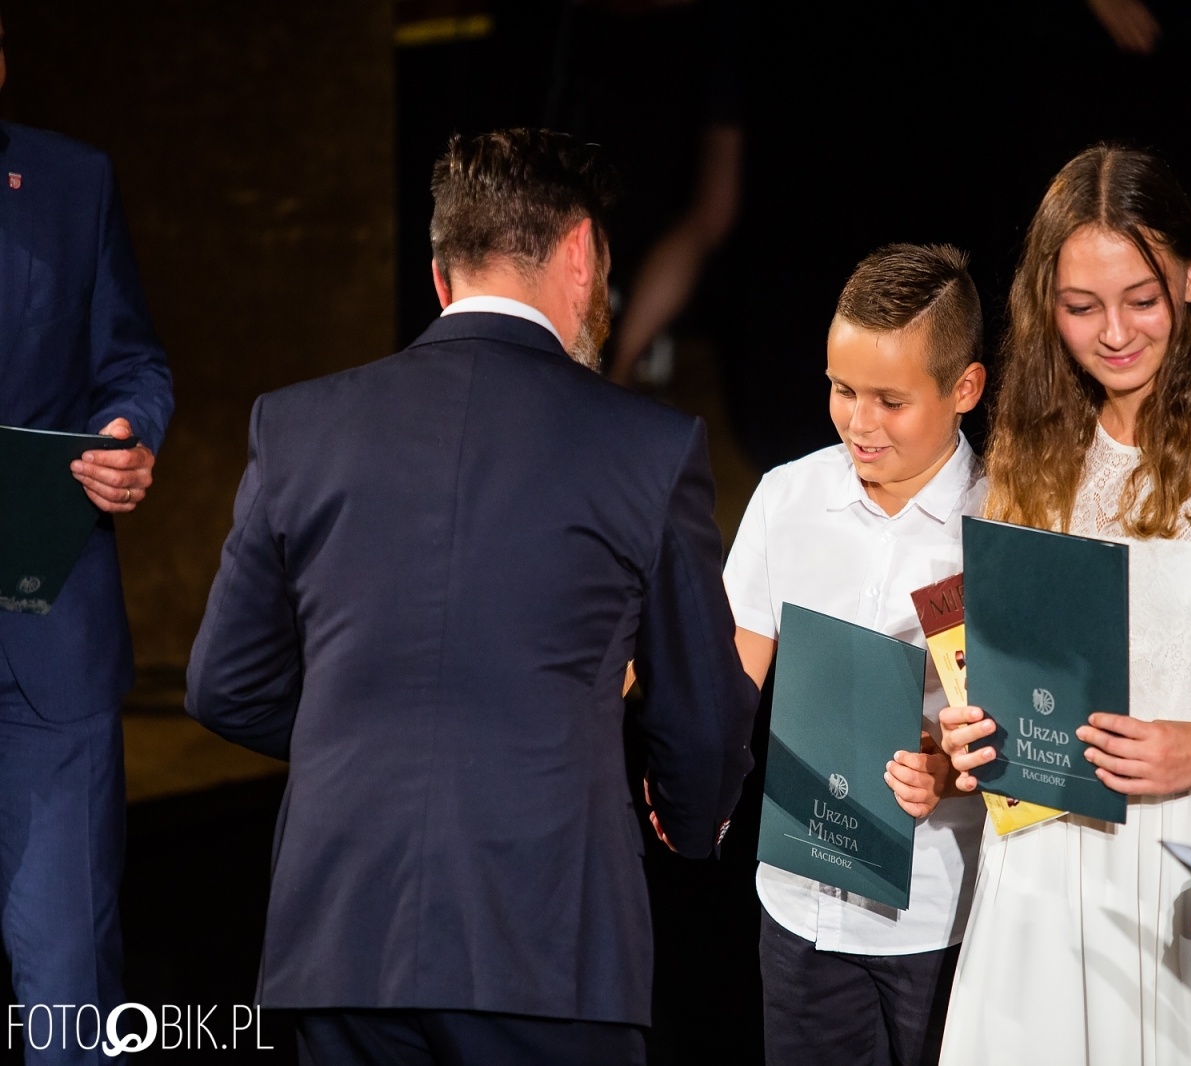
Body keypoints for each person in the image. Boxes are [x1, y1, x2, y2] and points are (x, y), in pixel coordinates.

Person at [185, 128, 757, 1066]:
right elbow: (699, 721)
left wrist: (361, 733)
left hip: (338, 946)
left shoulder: (296, 426)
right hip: (549, 950)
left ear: (443, 277)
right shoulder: (647, 449)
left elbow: (223, 685)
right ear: (581, 254)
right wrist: (691, 827)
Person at [935, 144, 1191, 1065]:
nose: (1114, 332)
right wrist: (963, 730)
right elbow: (981, 658)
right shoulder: (1029, 448)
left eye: (1141, 299)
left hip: (1184, 869)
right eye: (1081, 307)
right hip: (1033, 869)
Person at [722, 243, 987, 1066]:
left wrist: (946, 769)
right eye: (842, 390)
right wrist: (707, 767)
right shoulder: (787, 497)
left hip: (940, 915)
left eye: (890, 400)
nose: (858, 422)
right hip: (798, 909)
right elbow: (737, 670)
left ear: (964, 389)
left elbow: (1033, 721)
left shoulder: (1003, 520)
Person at [0, 15, 173, 1063]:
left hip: (44, 641)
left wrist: (126, 435)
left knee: (67, 1002)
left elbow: (134, 361)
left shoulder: (71, 183)